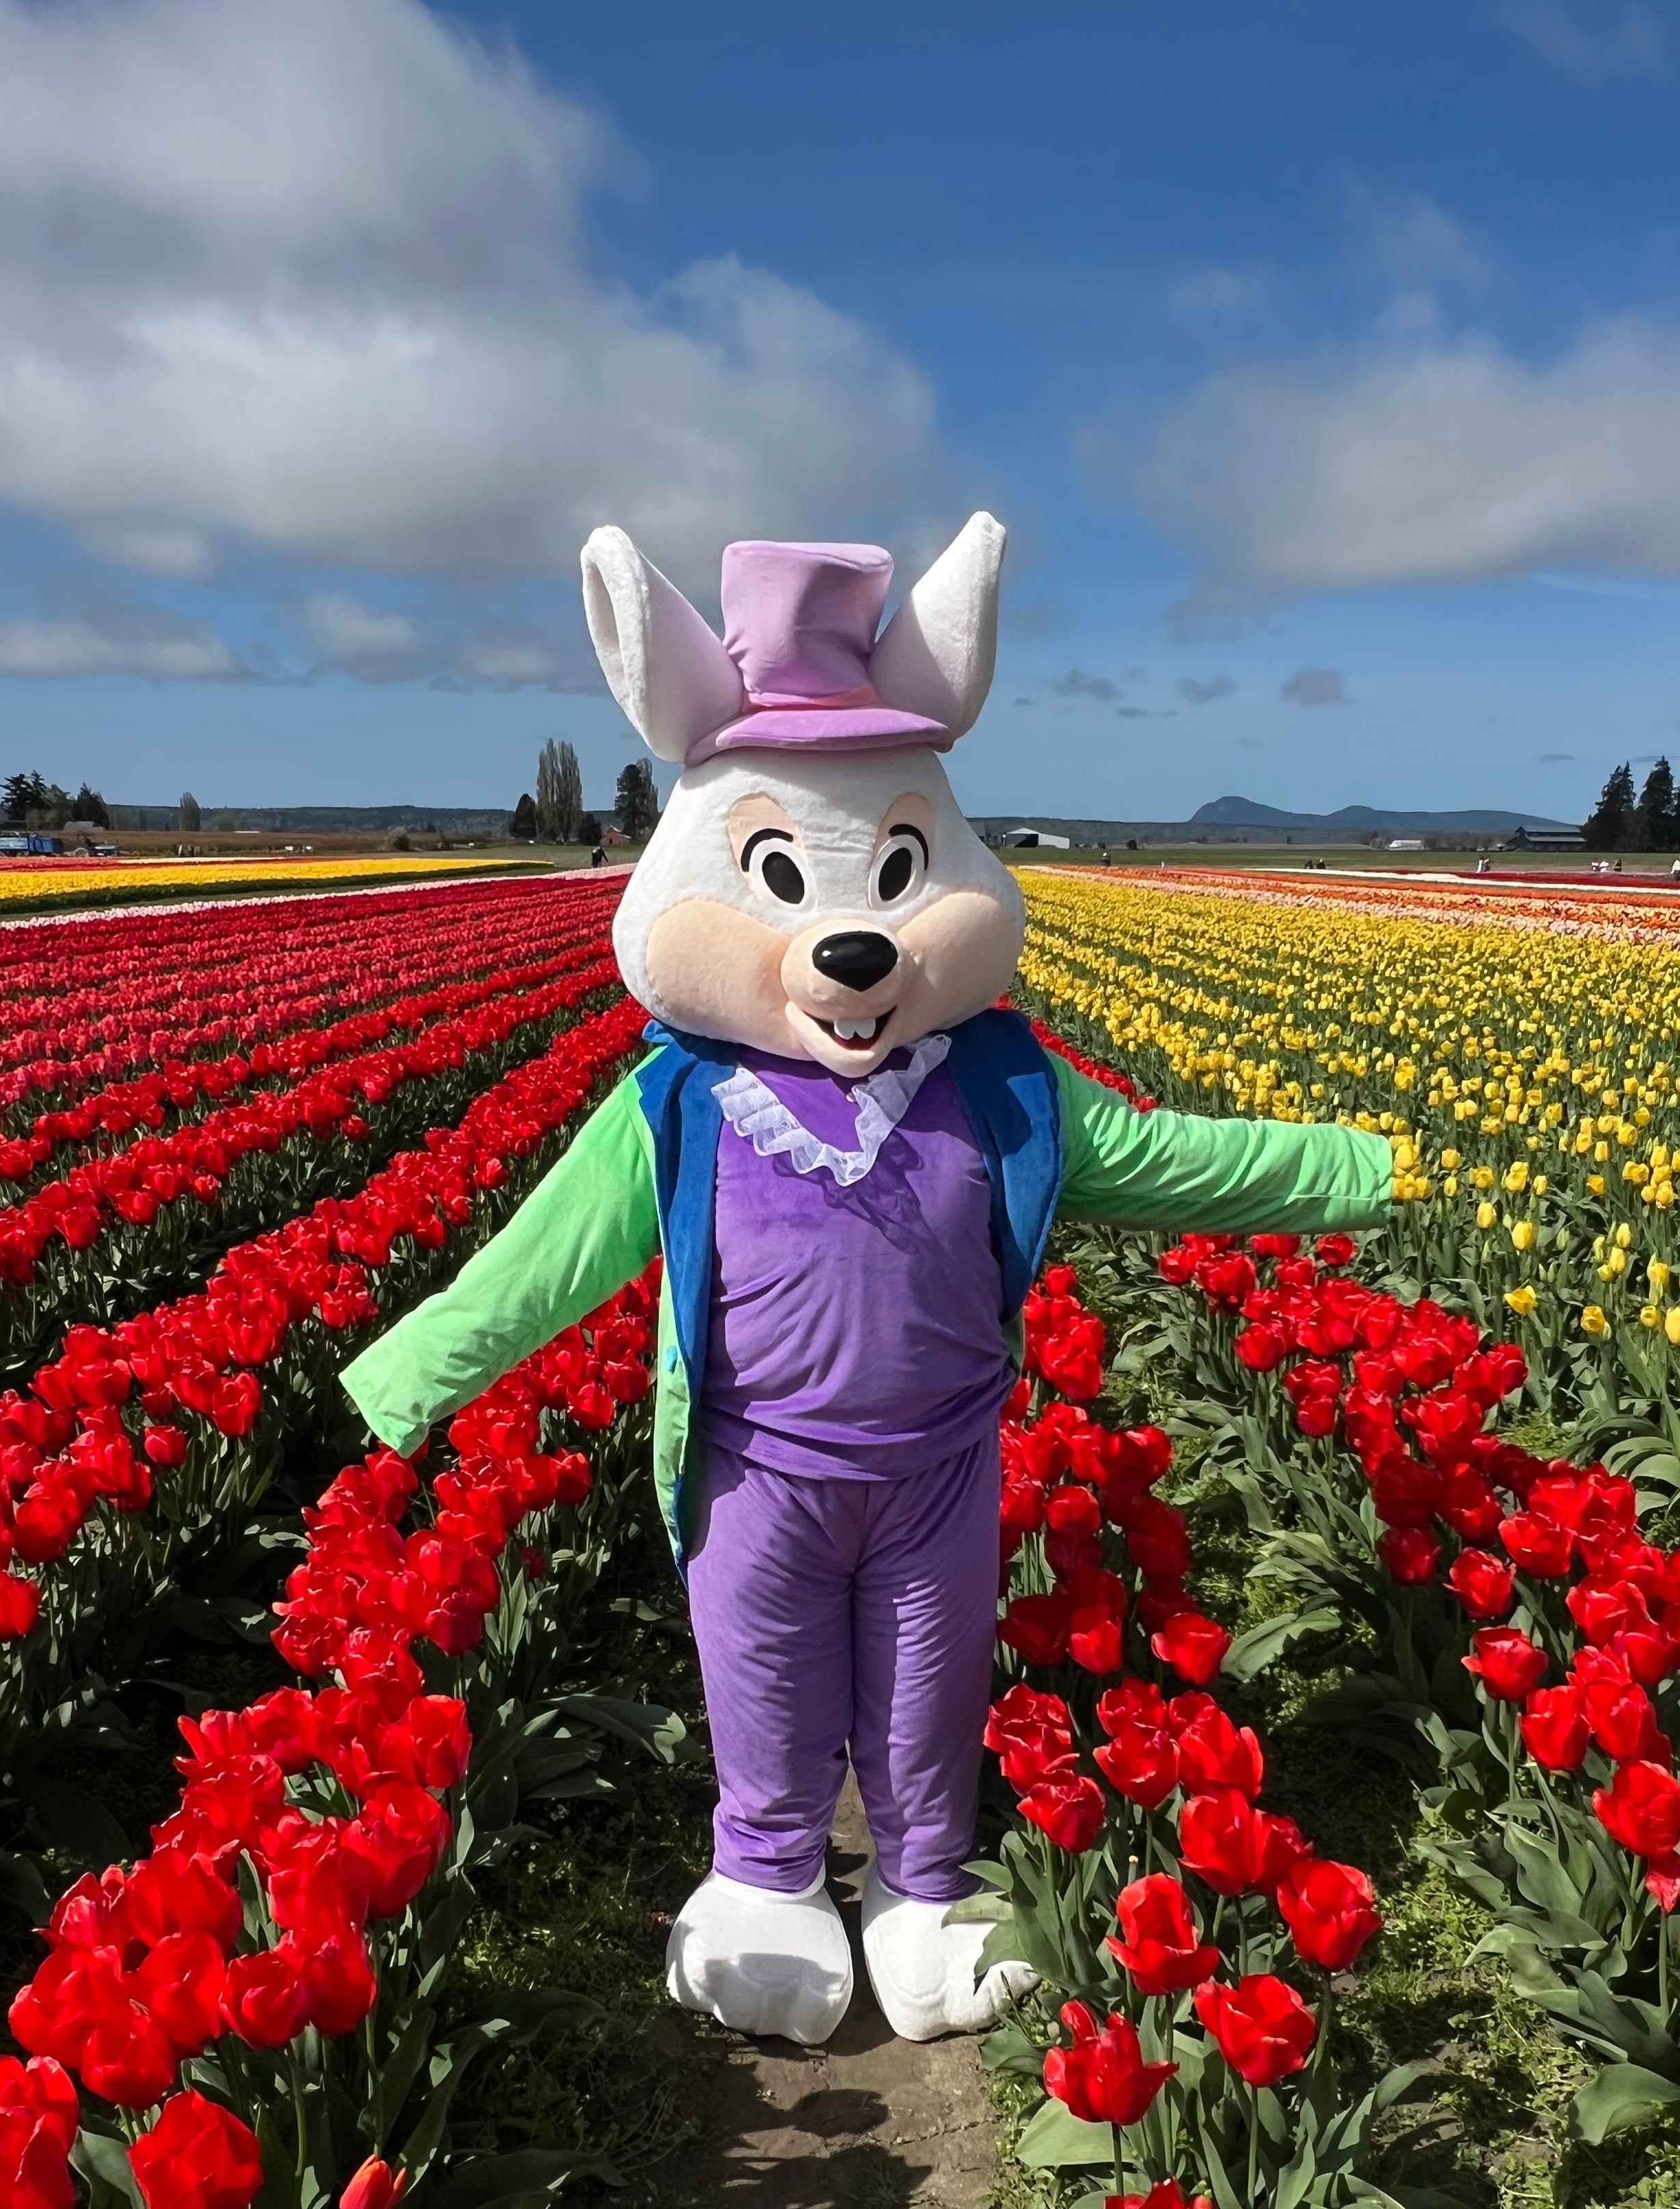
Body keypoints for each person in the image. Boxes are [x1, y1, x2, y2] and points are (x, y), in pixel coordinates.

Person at [341, 516, 1394, 2047]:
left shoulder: (1008, 1092)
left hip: (938, 1468)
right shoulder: (680, 1104)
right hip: (754, 1470)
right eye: (778, 874)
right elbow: (545, 1261)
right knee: (763, 1684)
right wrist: (414, 1374)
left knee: (927, 1688)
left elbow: (1187, 1162)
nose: (849, 939)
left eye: (902, 868)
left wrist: (1363, 1170)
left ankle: (920, 1883)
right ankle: (768, 1877)